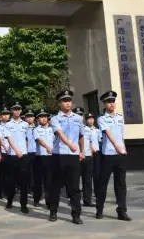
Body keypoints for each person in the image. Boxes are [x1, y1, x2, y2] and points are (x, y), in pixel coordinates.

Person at [48, 90, 84, 224]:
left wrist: (81, 151)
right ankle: (53, 211)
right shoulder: (55, 119)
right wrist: (70, 144)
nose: (67, 103)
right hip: (59, 155)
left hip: (74, 156)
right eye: (64, 101)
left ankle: (76, 214)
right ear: (60, 103)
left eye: (69, 100)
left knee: (74, 187)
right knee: (55, 186)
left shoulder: (78, 118)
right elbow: (60, 133)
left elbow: (81, 136)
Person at [95, 91, 131, 221]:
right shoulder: (101, 118)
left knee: (121, 184)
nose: (111, 104)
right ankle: (99, 209)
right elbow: (108, 133)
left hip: (120, 155)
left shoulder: (120, 117)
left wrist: (123, 148)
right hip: (108, 155)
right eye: (109, 102)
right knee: (102, 183)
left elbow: (121, 135)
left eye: (113, 101)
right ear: (104, 104)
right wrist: (116, 146)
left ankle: (122, 211)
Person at [1, 102, 30, 214]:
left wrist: (24, 151)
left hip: (23, 155)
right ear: (12, 111)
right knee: (11, 181)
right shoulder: (7, 124)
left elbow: (27, 138)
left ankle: (24, 205)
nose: (17, 111)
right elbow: (9, 138)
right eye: (15, 109)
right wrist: (17, 150)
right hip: (12, 155)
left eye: (19, 109)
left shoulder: (25, 124)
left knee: (24, 182)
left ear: (21, 111)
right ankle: (9, 201)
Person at [33, 108, 54, 208]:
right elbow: (39, 140)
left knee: (49, 181)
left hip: (50, 158)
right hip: (40, 158)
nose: (43, 119)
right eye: (41, 117)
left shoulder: (52, 129)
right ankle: (36, 199)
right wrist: (47, 147)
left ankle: (49, 201)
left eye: (45, 117)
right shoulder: (36, 130)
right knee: (38, 180)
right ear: (37, 120)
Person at [81, 113, 99, 207]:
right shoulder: (73, 129)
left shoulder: (89, 130)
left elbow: (91, 142)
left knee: (88, 180)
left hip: (88, 156)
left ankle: (87, 200)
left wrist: (92, 153)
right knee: (75, 180)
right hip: (77, 156)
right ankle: (73, 199)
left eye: (81, 115)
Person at [0, 107, 10, 199]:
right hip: (3, 152)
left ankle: (8, 192)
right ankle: (1, 192)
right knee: (1, 174)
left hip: (12, 152)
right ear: (1, 116)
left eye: (7, 114)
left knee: (10, 174)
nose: (5, 116)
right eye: (3, 115)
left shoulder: (12, 125)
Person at [24, 110, 37, 195]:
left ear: (34, 118)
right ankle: (28, 188)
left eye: (31, 116)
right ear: (25, 118)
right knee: (27, 171)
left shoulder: (37, 127)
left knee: (36, 171)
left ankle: (35, 188)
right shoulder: (24, 128)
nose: (29, 118)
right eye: (28, 117)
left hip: (36, 152)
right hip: (27, 152)